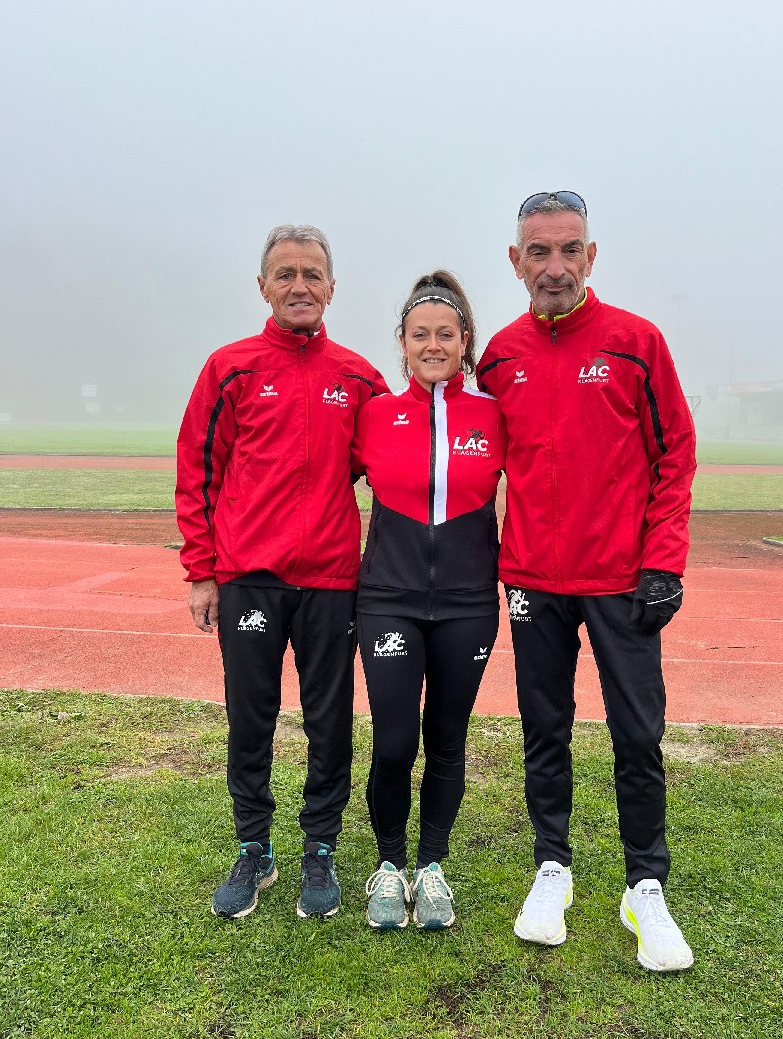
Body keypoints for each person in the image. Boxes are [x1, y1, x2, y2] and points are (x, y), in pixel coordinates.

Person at [477, 192, 697, 971]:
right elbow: (473, 462)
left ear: (590, 255)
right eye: (538, 251)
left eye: (569, 249)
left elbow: (674, 453)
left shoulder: (636, 343)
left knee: (637, 733)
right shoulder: (497, 356)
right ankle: (552, 869)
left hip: (620, 580)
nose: (554, 266)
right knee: (545, 730)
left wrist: (663, 559)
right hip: (531, 577)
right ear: (516, 261)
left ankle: (644, 886)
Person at [176, 224, 388, 920]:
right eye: (286, 274)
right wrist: (202, 571)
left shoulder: (358, 378)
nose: (300, 286)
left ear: (331, 287)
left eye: (312, 274)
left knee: (330, 721)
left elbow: (392, 466)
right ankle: (254, 848)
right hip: (250, 578)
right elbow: (198, 469)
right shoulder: (230, 368)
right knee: (251, 717)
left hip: (331, 580)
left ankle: (319, 847)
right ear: (263, 286)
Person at [351, 272, 506, 931]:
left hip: (468, 602)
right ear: (403, 342)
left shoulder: (493, 414)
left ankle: (432, 866)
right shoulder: (374, 415)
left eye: (445, 333)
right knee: (394, 741)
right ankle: (389, 865)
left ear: (464, 340)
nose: (433, 345)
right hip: (388, 597)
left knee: (447, 737)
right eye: (420, 335)